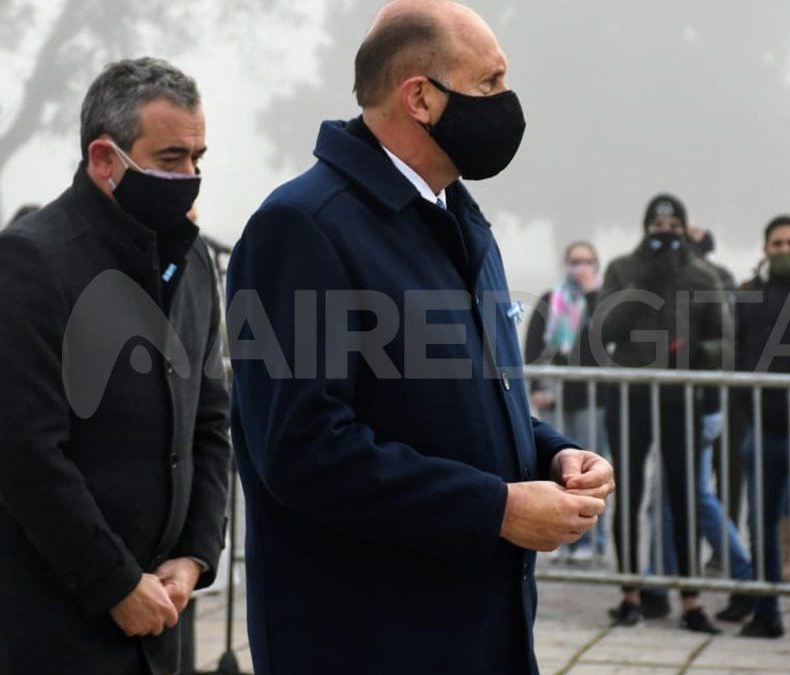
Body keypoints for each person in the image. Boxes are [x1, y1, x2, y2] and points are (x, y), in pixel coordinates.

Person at [226, 3, 614, 673]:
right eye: (489, 83)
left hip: (478, 627)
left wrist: (551, 453)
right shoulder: (304, 227)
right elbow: (304, 447)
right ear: (421, 98)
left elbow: (472, 396)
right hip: (368, 637)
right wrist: (496, 507)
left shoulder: (459, 218)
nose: (506, 102)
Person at [0, 57, 232, 674]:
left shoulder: (191, 267)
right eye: (170, 159)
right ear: (104, 159)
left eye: (198, 158)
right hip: (51, 622)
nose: (190, 175)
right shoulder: (27, 262)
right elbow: (27, 452)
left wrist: (194, 555)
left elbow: (209, 423)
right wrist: (113, 583)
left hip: (161, 614)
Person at [597, 193, 730, 633]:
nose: (666, 233)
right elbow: (605, 329)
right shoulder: (623, 269)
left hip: (680, 397)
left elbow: (725, 342)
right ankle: (631, 593)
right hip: (631, 394)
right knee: (629, 492)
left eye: (674, 227)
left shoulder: (703, 274)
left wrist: (695, 352)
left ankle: (690, 599)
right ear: (645, 228)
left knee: (683, 495)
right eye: (658, 227)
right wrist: (646, 284)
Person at [734, 215, 790, 639]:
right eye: (777, 243)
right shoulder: (749, 294)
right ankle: (766, 611)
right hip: (762, 428)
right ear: (765, 248)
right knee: (761, 523)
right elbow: (737, 355)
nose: (784, 249)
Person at [525, 241, 610, 562]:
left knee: (590, 472)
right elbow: (533, 345)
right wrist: (535, 385)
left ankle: (591, 539)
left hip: (592, 397)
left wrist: (591, 296)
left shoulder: (604, 300)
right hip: (556, 398)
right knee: (560, 470)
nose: (580, 267)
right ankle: (561, 538)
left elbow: (606, 341)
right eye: (574, 261)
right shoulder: (551, 300)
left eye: (587, 261)